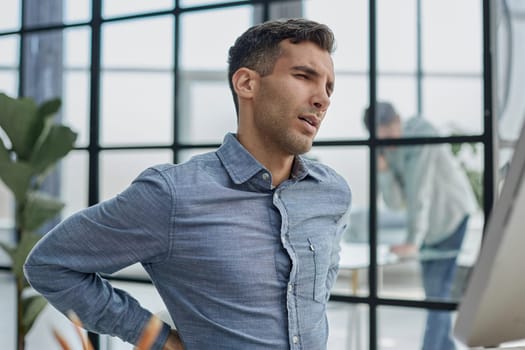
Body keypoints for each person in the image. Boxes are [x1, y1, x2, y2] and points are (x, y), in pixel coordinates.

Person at [24, 18, 352, 350]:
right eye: (304, 76)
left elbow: (314, 304)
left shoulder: (332, 193)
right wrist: (158, 340)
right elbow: (50, 264)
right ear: (247, 83)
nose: (322, 99)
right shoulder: (173, 195)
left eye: (328, 87)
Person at [363, 101, 477, 350]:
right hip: (429, 225)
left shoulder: (421, 134)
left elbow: (419, 192)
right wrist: (383, 170)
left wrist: (413, 241)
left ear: (396, 121)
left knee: (437, 295)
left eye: (389, 134)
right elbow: (395, 203)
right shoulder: (389, 146)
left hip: (451, 216)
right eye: (381, 139)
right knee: (435, 295)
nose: (388, 143)